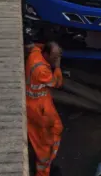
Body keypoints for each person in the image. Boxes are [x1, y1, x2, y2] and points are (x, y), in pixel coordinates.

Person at [25, 41, 64, 176]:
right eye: (53, 58)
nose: (55, 60)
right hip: (39, 109)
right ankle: (43, 171)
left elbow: (37, 45)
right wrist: (57, 67)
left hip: (40, 103)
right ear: (46, 54)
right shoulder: (42, 70)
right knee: (44, 144)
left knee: (57, 127)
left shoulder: (36, 53)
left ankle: (48, 162)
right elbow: (57, 83)